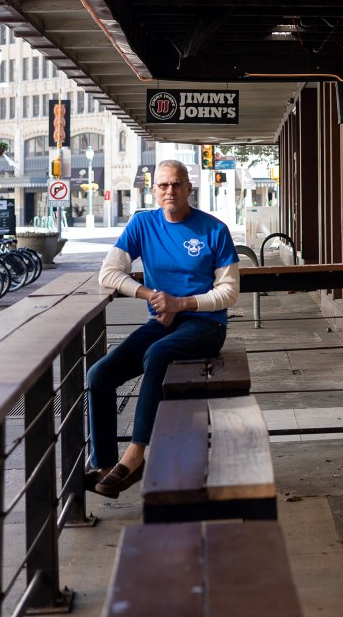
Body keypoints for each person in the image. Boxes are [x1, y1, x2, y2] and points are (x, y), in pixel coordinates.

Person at [85, 159, 239, 497]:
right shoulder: (143, 224)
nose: (170, 191)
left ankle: (136, 456)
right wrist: (152, 295)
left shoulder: (213, 229)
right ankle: (106, 465)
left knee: (157, 354)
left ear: (189, 188)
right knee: (99, 375)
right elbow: (108, 273)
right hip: (161, 320)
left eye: (177, 184)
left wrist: (182, 303)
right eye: (163, 185)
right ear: (153, 190)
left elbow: (229, 291)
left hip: (206, 324)